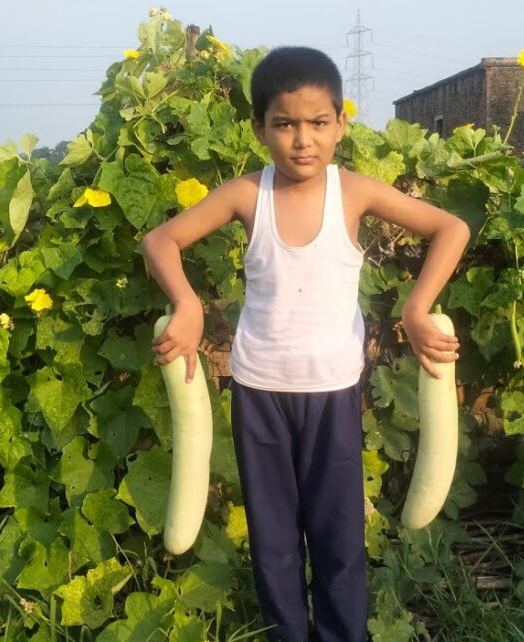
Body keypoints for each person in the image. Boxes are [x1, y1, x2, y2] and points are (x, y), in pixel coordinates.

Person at [141, 45, 469, 642]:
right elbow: (161, 241)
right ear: (259, 128)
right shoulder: (247, 194)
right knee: (273, 541)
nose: (302, 140)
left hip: (333, 393)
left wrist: (416, 307)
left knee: (339, 538)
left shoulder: (355, 192)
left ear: (341, 123)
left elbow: (451, 228)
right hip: (259, 393)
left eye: (318, 123)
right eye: (284, 124)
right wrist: (186, 304)